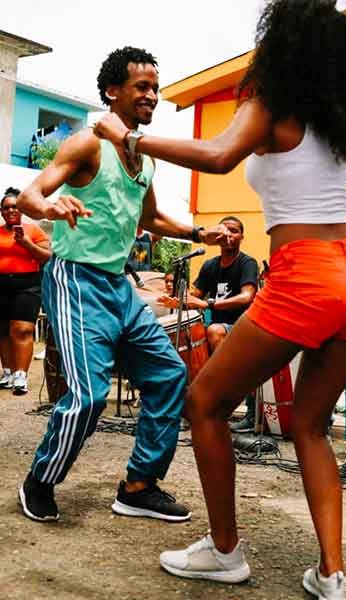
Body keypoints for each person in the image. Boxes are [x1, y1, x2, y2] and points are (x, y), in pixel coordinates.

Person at [94, 2, 346, 596]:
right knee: (310, 426)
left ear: (282, 47)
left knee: (205, 402)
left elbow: (217, 157)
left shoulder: (269, 108)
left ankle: (225, 550)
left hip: (307, 275)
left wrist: (129, 135)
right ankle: (332, 574)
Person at [16, 46, 228, 525]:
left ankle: (138, 486)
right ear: (113, 91)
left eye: (156, 88)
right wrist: (50, 207)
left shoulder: (145, 159)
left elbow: (150, 218)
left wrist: (199, 233)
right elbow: (31, 194)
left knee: (168, 375)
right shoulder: (87, 144)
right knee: (88, 396)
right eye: (142, 87)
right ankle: (40, 481)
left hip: (117, 285)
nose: (152, 95)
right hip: (76, 280)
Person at [158, 215, 259, 432]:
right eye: (224, 230)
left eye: (234, 231)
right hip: (219, 329)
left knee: (213, 330)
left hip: (245, 327)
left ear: (242, 237)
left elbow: (247, 296)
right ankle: (197, 405)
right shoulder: (210, 265)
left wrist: (208, 303)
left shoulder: (247, 263)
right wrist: (178, 299)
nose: (229, 234)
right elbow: (195, 295)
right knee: (190, 339)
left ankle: (229, 392)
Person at [0, 187, 51, 395]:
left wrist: (26, 243)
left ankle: (21, 375)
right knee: (3, 331)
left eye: (15, 206)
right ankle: (8, 372)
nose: (11, 210)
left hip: (27, 284)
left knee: (22, 329)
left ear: (21, 209)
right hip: (1, 284)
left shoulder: (34, 231)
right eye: (6, 208)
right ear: (2, 211)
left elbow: (47, 257)